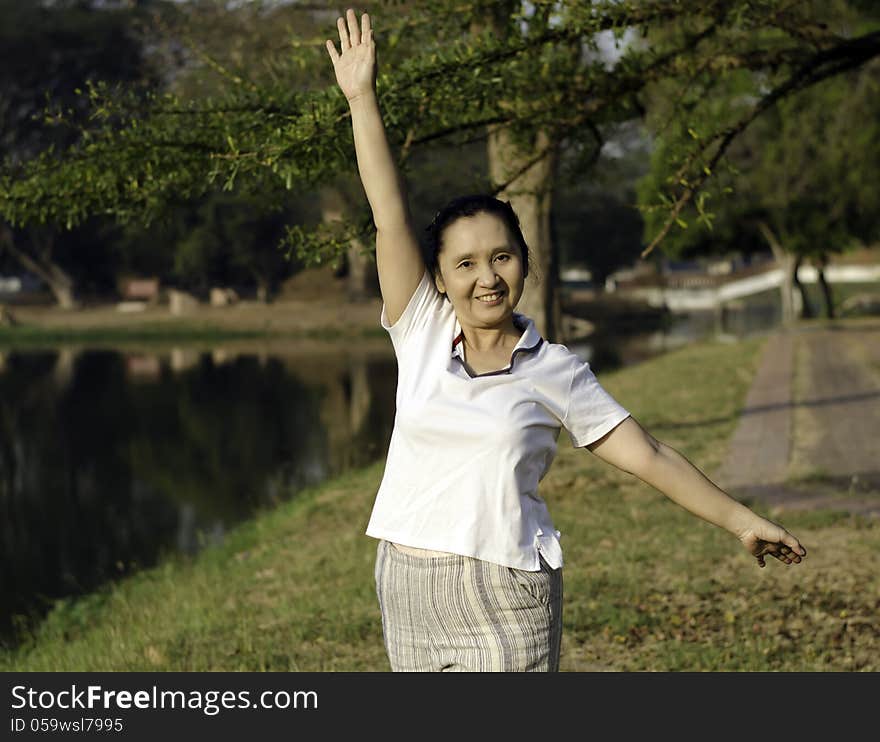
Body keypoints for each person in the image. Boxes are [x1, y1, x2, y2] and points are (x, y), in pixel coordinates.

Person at [325, 8, 806, 672]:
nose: (487, 278)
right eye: (464, 264)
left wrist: (739, 520)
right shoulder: (422, 328)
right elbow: (387, 213)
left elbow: (652, 455)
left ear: (525, 260)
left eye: (502, 257)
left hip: (506, 592)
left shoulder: (555, 369)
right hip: (408, 587)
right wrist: (361, 98)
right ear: (439, 277)